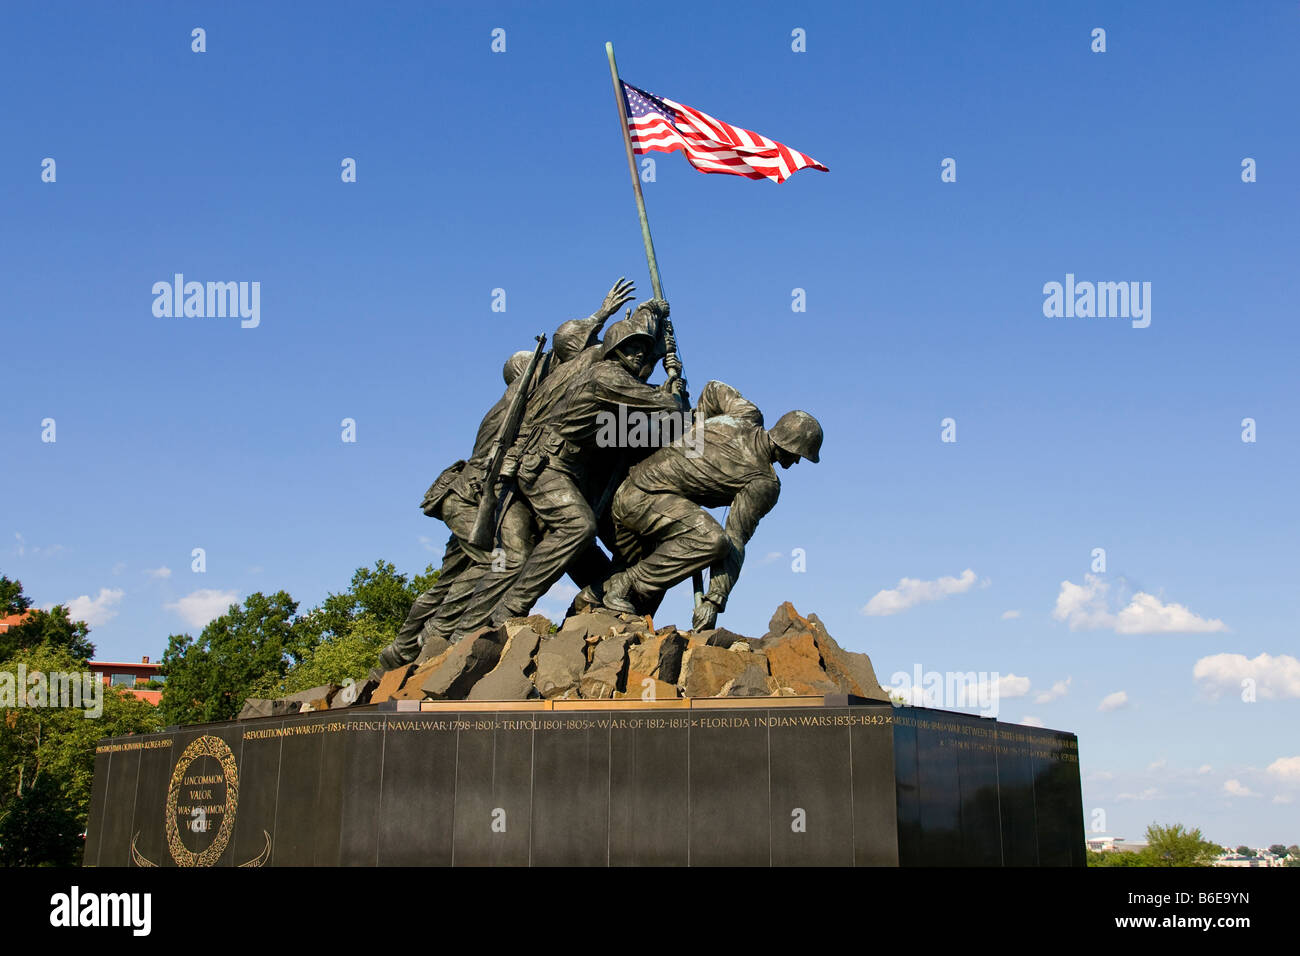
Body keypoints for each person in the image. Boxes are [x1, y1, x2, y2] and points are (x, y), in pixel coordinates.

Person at [597, 381, 823, 631]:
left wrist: (696, 430)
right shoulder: (764, 483)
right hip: (645, 503)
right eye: (800, 456)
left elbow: (713, 388)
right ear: (791, 447)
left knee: (634, 595)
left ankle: (591, 598)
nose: (798, 463)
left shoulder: (746, 414)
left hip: (632, 494)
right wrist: (715, 600)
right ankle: (625, 583)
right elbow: (734, 539)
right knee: (711, 540)